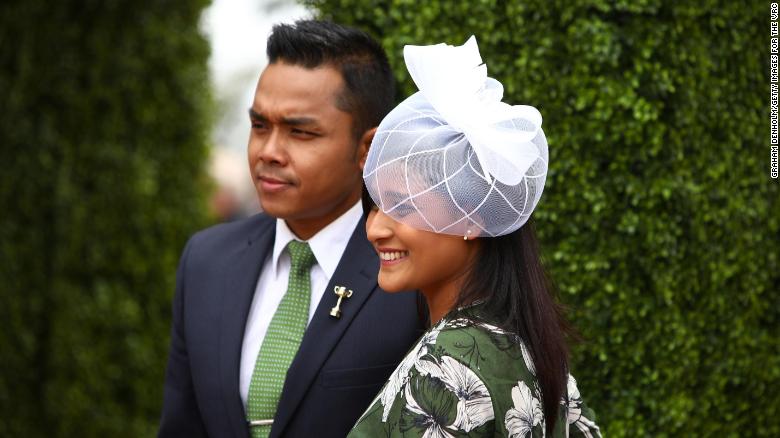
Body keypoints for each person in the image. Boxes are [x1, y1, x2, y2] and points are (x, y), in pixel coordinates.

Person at [158, 20, 426, 438]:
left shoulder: (413, 273)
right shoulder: (206, 261)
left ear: (367, 149)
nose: (268, 152)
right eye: (259, 126)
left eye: (300, 132)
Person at [348, 36, 601, 436]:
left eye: (403, 206)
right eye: (376, 203)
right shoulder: (536, 353)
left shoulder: (446, 366)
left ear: (472, 215)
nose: (376, 227)